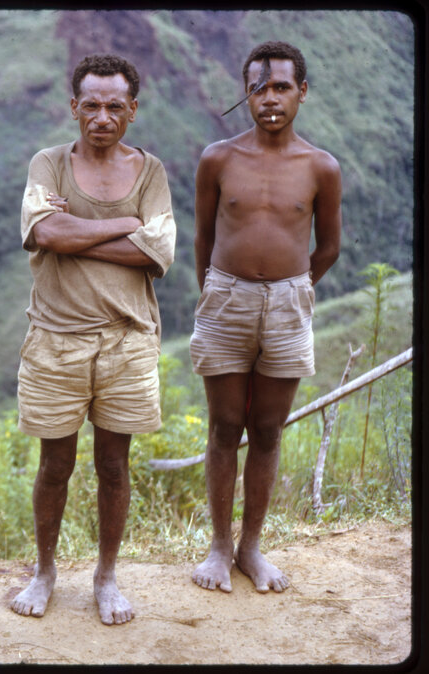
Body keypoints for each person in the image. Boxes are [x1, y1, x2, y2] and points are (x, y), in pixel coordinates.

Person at [11, 54, 176, 626]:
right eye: (91, 105)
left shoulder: (150, 172)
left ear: (131, 110)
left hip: (127, 341)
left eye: (114, 106)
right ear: (73, 108)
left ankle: (106, 576)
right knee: (54, 464)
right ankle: (45, 571)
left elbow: (160, 254)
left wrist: (71, 235)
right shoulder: (48, 163)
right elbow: (43, 230)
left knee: (113, 463)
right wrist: (125, 225)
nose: (101, 116)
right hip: (55, 339)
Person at [190, 41, 341, 594]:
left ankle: (252, 547)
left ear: (302, 91)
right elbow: (204, 237)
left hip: (287, 303)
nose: (269, 98)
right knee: (225, 426)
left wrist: (292, 292)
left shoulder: (321, 167)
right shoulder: (219, 159)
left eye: (281, 87)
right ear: (245, 94)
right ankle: (219, 548)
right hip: (225, 298)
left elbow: (328, 247)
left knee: (268, 430)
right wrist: (216, 292)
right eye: (259, 87)